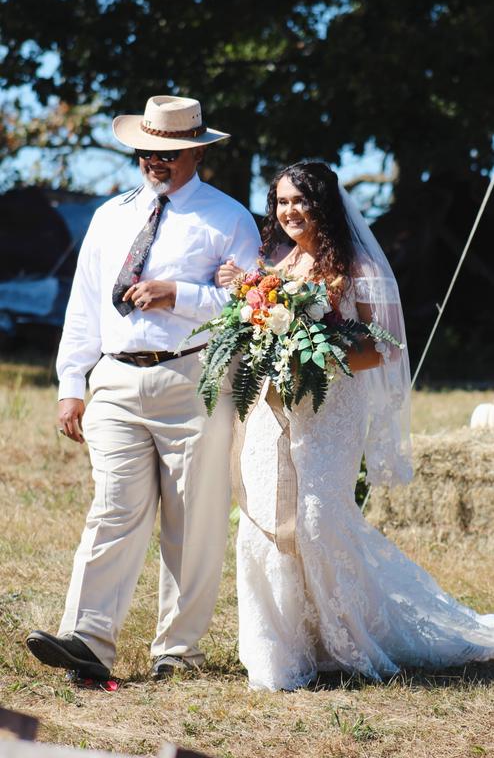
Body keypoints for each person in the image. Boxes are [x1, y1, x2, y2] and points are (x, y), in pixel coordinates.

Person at [215, 161, 494, 691]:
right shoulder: (273, 269)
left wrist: (310, 355)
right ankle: (280, 650)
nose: (290, 211)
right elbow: (253, 331)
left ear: (325, 205)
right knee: (263, 527)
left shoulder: (358, 269)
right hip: (272, 416)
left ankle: (344, 637)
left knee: (317, 521)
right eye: (281, 202)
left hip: (328, 415)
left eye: (301, 201)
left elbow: (380, 350)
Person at [26, 94, 261, 682]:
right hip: (114, 379)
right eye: (147, 149)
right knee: (113, 510)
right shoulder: (109, 216)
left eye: (169, 152)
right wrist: (70, 384)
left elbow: (250, 305)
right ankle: (88, 640)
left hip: (195, 380)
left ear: (197, 151)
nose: (155, 160)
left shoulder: (229, 218)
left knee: (194, 520)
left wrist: (177, 294)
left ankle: (178, 653)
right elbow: (82, 305)